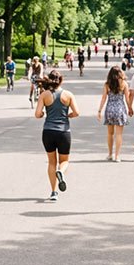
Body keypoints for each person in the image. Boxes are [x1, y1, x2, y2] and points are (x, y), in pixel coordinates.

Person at [34, 70, 79, 201]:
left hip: (48, 132)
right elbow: (77, 112)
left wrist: (43, 114)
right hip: (63, 132)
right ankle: (61, 171)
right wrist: (69, 115)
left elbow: (37, 114)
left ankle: (54, 192)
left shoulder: (44, 95)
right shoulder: (68, 95)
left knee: (51, 162)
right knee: (64, 161)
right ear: (61, 81)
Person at [97, 66, 129, 162]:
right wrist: (130, 108)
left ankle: (110, 154)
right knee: (119, 134)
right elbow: (127, 98)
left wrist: (99, 110)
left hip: (110, 109)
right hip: (120, 109)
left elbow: (103, 98)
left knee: (110, 133)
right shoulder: (124, 84)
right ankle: (117, 156)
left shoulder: (107, 84)